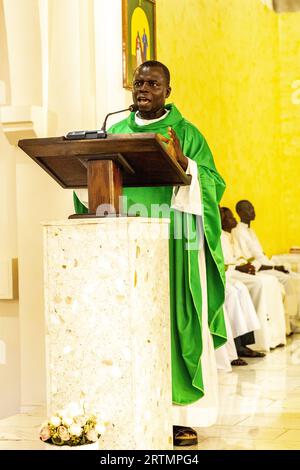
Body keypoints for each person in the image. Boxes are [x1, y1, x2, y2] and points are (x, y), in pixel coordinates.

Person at [74, 61, 227, 446]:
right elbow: (90, 177)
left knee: (171, 324)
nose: (143, 88)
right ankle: (124, 405)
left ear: (167, 92)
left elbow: (213, 184)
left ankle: (176, 416)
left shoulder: (187, 134)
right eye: (139, 82)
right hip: (123, 247)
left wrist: (184, 163)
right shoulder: (114, 131)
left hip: (173, 245)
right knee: (125, 324)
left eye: (153, 83)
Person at [220, 206, 286, 350]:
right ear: (223, 221)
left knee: (271, 281)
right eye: (231, 217)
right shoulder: (220, 236)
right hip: (230, 273)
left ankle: (272, 336)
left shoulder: (230, 236)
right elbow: (224, 264)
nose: (235, 219)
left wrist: (246, 266)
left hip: (238, 270)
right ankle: (257, 340)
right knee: (258, 283)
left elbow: (240, 258)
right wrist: (239, 267)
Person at [233, 200, 300, 335]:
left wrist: (275, 266)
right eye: (248, 209)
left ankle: (293, 320)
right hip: (259, 270)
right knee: (289, 281)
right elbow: (248, 260)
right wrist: (275, 268)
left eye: (252, 207)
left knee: (296, 277)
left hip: (268, 265)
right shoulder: (238, 232)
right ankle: (290, 324)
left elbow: (261, 255)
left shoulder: (250, 230)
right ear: (240, 212)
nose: (252, 211)